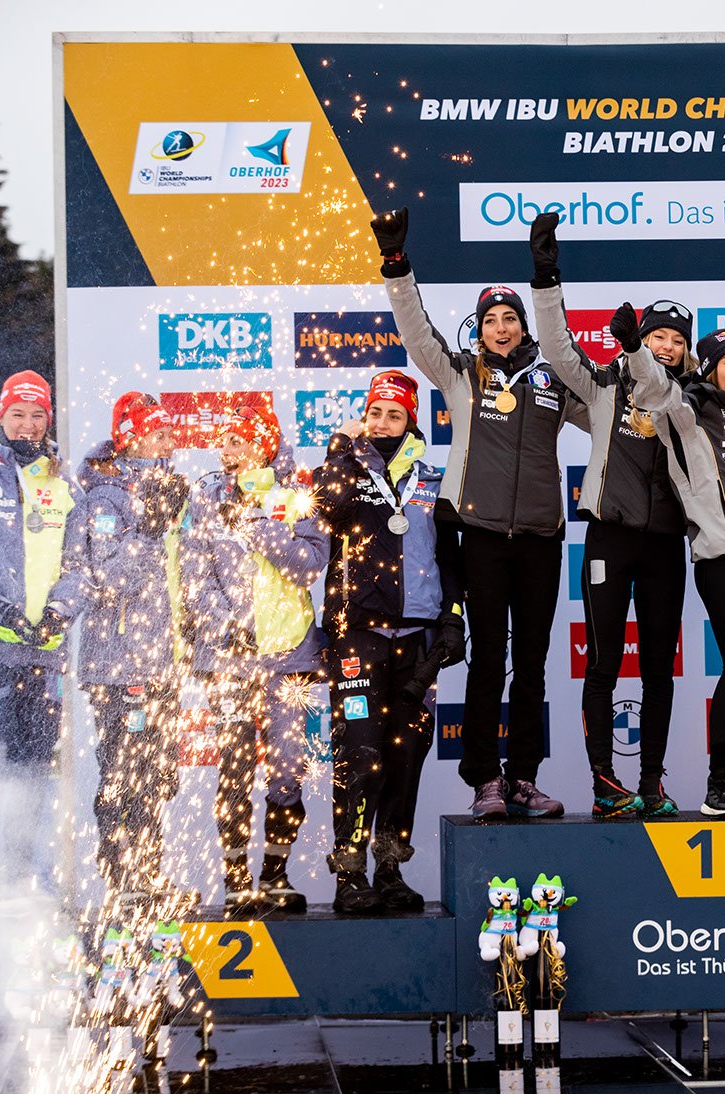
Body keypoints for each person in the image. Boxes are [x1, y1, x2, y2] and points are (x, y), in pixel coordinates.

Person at [372, 206, 583, 819]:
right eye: (490, 319)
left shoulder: (553, 381)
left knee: (533, 665)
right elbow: (418, 334)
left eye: (509, 318)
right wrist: (397, 267)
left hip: (541, 536)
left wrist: (546, 278)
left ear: (522, 325)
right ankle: (485, 779)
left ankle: (524, 778)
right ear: (480, 330)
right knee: (489, 658)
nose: (501, 327)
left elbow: (606, 413)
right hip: (482, 536)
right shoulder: (462, 376)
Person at [528, 213, 690, 818]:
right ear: (641, 337)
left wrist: (637, 353)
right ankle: (604, 782)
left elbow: (662, 393)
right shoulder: (601, 387)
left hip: (665, 546)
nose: (667, 346)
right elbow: (556, 349)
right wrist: (547, 279)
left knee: (658, 669)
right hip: (609, 540)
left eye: (677, 339)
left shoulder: (687, 398)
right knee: (602, 664)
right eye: (658, 336)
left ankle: (652, 782)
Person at [619, 309, 725, 818]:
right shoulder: (691, 408)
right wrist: (635, 350)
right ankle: (719, 784)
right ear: (711, 367)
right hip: (723, 557)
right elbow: (659, 392)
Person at [312, 371, 465, 913]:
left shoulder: (431, 475)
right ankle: (349, 875)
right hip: (358, 635)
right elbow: (325, 506)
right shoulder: (344, 468)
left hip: (418, 638)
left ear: (410, 422)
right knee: (360, 754)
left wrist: (452, 617)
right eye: (374, 413)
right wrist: (340, 446)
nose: (381, 423)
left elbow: (450, 554)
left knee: (406, 755)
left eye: (393, 414)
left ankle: (390, 867)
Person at [180, 403, 327, 915]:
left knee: (288, 768)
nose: (227, 451)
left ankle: (276, 875)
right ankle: (237, 879)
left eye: (238, 440)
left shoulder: (298, 491)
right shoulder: (205, 495)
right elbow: (194, 573)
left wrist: (261, 523)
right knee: (236, 766)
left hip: (290, 656)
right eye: (223, 441)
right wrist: (227, 627)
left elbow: (310, 566)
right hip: (230, 659)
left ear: (262, 445)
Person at [0, 371, 84, 897]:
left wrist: (61, 611)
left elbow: (81, 563)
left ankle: (22, 884)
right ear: (1, 414)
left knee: (37, 769)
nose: (28, 424)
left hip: (44, 655)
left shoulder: (63, 483)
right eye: (18, 413)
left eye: (38, 415)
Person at [74, 393, 189, 906]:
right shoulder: (105, 498)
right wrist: (149, 529)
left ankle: (149, 873)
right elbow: (108, 576)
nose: (168, 442)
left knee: (157, 776)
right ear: (130, 438)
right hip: (119, 665)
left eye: (169, 433)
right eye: (157, 434)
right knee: (123, 773)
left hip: (161, 660)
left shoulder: (171, 488)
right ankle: (122, 878)